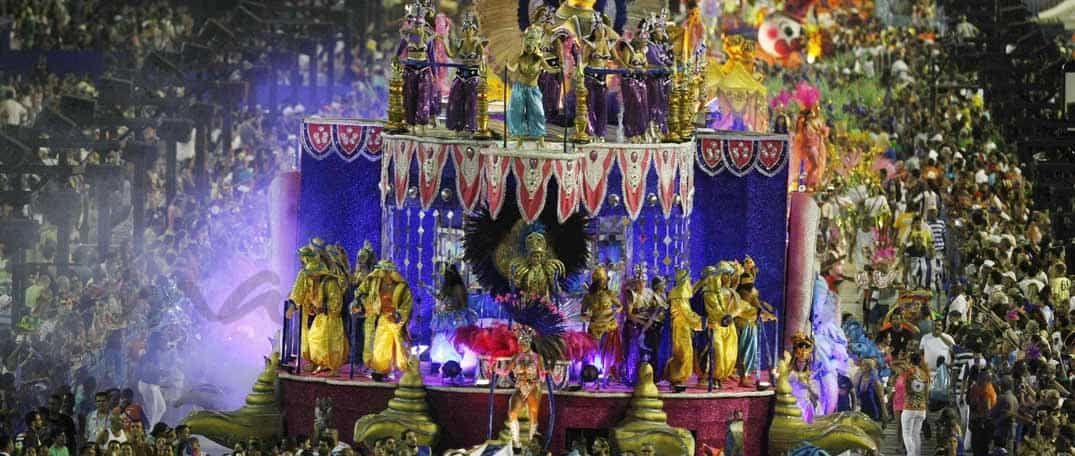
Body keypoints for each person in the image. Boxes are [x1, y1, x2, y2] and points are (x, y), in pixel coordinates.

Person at [901, 352, 930, 456]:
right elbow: (927, 392)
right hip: (921, 408)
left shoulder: (908, 372)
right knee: (916, 434)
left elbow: (905, 389)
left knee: (907, 434)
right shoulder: (924, 374)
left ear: (910, 360)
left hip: (909, 407)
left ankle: (911, 454)